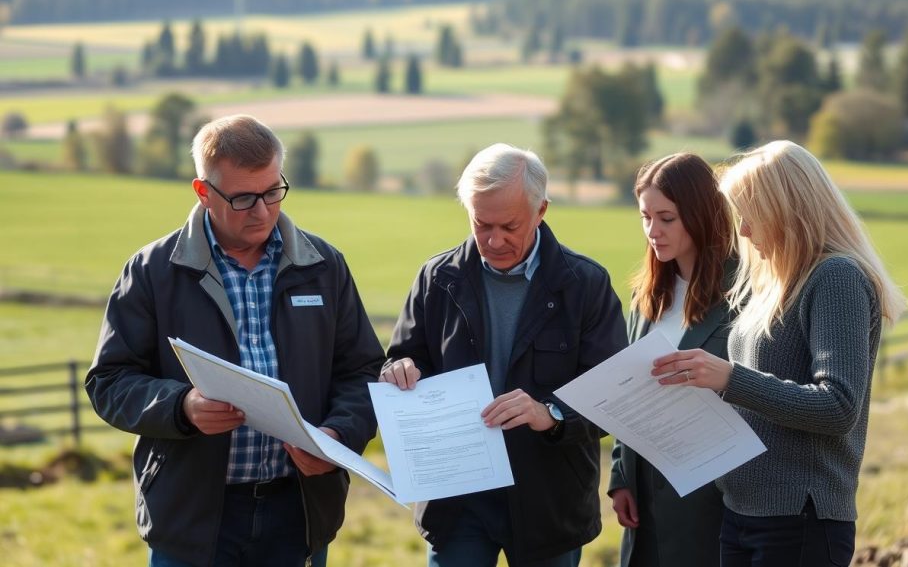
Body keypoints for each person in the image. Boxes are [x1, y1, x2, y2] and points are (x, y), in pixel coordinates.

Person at [85, 114, 384, 567]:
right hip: (193, 516)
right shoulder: (153, 271)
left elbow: (362, 372)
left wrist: (337, 437)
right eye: (244, 198)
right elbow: (109, 381)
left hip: (299, 511)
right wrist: (181, 407)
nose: (263, 211)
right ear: (204, 192)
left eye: (272, 192)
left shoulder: (324, 266)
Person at [653, 141, 907, 566]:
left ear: (788, 209)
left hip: (799, 519)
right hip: (743, 510)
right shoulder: (773, 283)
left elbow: (838, 406)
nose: (745, 231)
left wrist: (730, 378)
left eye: (751, 215)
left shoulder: (836, 278)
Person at [380, 143, 628, 567]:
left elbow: (612, 394)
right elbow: (401, 359)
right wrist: (397, 370)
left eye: (509, 226)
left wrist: (549, 413)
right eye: (481, 224)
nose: (493, 240)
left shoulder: (585, 285)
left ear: (541, 210)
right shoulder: (437, 278)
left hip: (548, 501)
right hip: (457, 501)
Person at [607, 152, 734, 567]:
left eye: (666, 218)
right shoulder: (644, 298)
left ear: (700, 215)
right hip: (644, 500)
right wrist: (621, 476)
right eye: (646, 217)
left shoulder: (744, 298)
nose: (652, 231)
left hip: (712, 497)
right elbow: (629, 392)